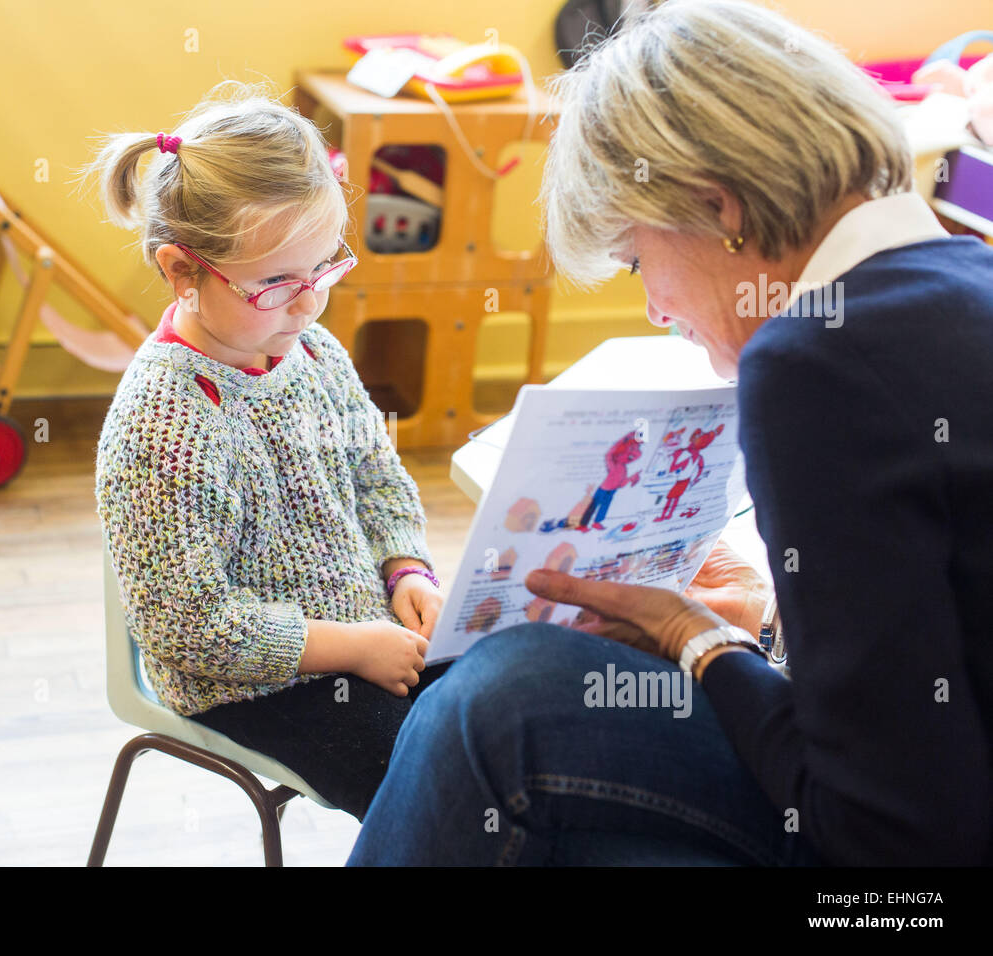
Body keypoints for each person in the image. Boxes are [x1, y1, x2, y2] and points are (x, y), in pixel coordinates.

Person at [349, 0, 993, 865]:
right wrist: (769, 624)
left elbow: (881, 833)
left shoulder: (817, 362)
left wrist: (698, 640)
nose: (654, 308)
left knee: (497, 701)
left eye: (636, 258)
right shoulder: (963, 275)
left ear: (716, 206)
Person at [84, 83, 447, 820]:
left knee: (509, 715)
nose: (310, 302)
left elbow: (378, 481)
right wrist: (350, 650)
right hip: (251, 685)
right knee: (434, 787)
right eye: (277, 282)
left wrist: (405, 567)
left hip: (367, 635)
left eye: (324, 268)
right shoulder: (163, 423)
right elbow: (187, 626)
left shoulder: (311, 351)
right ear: (182, 271)